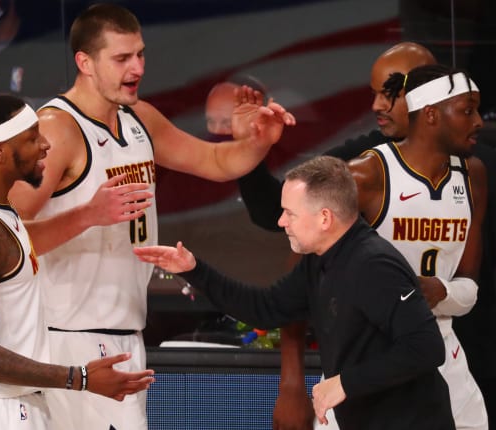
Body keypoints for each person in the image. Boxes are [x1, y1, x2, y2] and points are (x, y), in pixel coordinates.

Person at [7, 4, 295, 429]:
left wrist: (258, 144)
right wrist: (86, 215)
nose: (137, 67)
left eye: (140, 54)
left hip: (125, 333)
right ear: (84, 62)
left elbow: (215, 161)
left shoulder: (138, 117)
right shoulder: (57, 129)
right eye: (122, 58)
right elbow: (3, 236)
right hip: (66, 341)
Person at [239, 43, 496, 430]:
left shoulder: (479, 171)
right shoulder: (363, 168)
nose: (378, 104)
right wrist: (292, 382)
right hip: (370, 369)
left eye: (391, 90)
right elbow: (290, 241)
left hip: (456, 357)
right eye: (375, 92)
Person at [134, 155, 456, 430]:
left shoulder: (374, 265)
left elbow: (426, 348)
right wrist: (194, 269)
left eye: (289, 213)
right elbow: (265, 308)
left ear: (324, 218)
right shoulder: (318, 260)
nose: (281, 221)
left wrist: (345, 383)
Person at [0, 95, 155, 430]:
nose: (46, 145)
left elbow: (14, 248)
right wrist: (80, 378)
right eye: (32, 138)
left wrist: (87, 215)